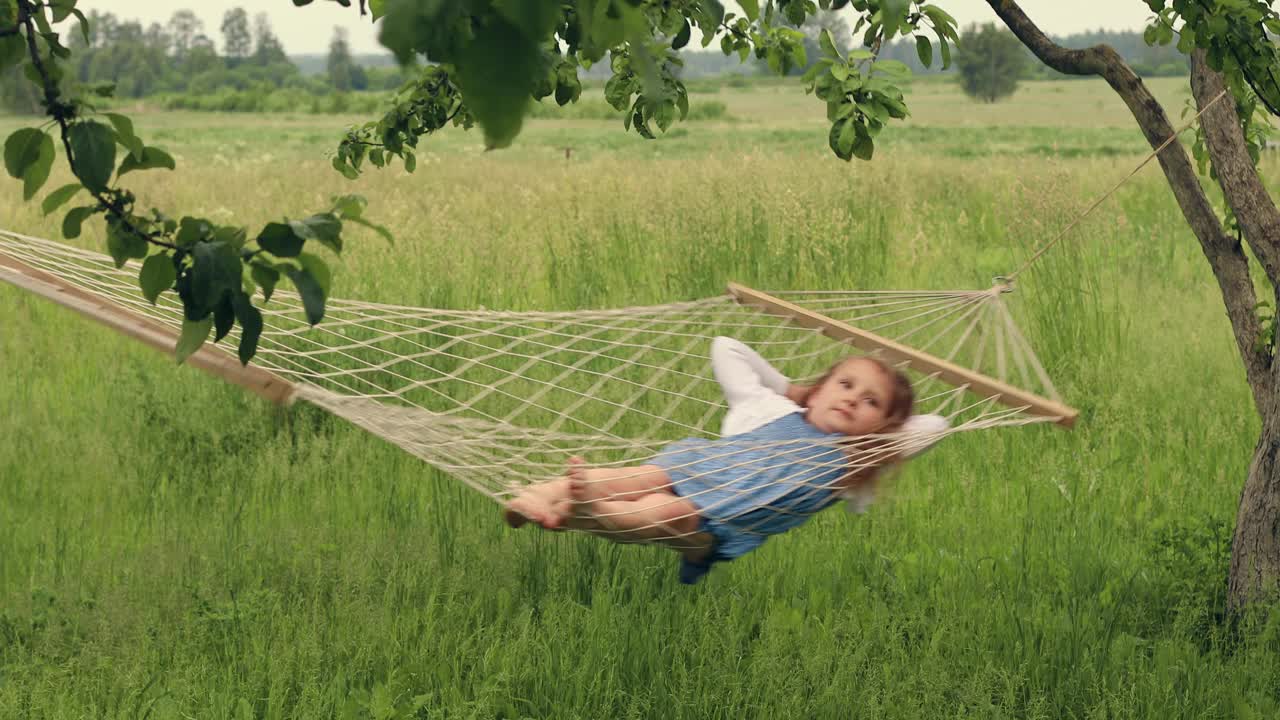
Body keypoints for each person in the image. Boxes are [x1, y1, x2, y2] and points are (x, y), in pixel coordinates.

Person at [505, 336, 948, 583]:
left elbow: (934, 427)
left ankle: (589, 509)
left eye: (870, 402)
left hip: (718, 523)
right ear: (818, 390)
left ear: (882, 427)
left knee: (668, 513)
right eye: (845, 384)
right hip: (699, 467)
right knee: (625, 479)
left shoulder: (857, 463)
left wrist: (883, 430)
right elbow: (726, 347)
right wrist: (791, 389)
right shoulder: (771, 408)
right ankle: (538, 498)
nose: (852, 399)